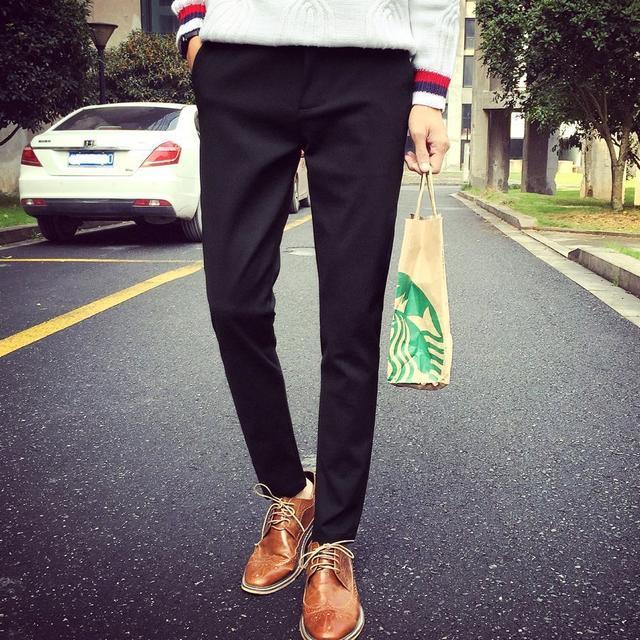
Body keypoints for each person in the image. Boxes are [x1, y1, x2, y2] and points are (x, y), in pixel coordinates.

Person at [170, 2, 459, 638]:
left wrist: (430, 92)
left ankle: (333, 542)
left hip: (367, 70)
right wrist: (193, 31)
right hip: (241, 63)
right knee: (234, 301)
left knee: (351, 318)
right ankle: (290, 490)